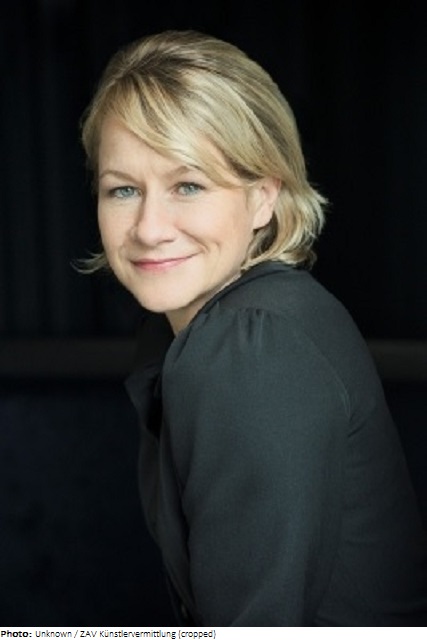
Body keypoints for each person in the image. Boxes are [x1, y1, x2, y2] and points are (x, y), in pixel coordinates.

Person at [80, 29, 427, 626]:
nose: (149, 227)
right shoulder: (227, 325)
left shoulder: (251, 343)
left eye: (189, 185)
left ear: (264, 197)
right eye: (124, 190)